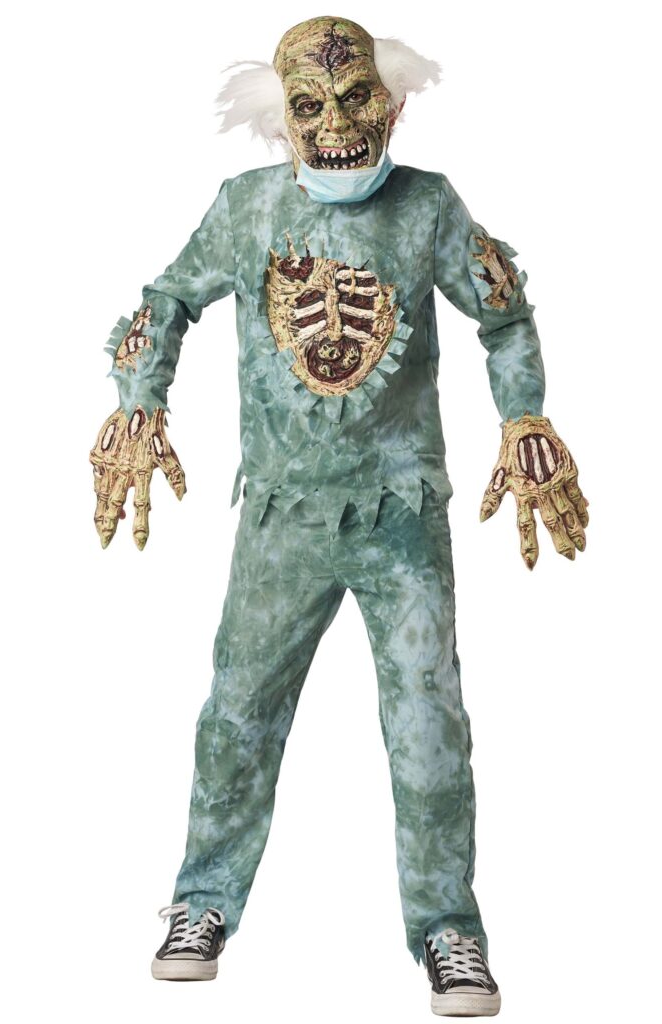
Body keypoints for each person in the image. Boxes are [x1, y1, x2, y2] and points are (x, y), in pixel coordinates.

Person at [89, 16, 588, 1017]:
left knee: (428, 721)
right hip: (282, 519)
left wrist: (525, 414)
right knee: (238, 712)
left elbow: (503, 317)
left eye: (355, 98)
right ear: (282, 117)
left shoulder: (429, 207)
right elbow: (166, 298)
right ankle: (202, 903)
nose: (333, 125)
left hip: (402, 517)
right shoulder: (244, 207)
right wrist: (138, 399)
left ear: (391, 104)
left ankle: (447, 927)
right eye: (309, 106)